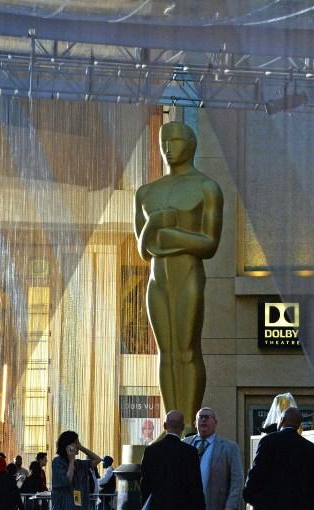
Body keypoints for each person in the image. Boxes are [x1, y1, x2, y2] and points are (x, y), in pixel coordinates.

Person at [134, 121, 224, 432]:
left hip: (189, 274)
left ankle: (189, 422)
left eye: (176, 139)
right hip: (157, 279)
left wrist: (169, 235)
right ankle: (171, 424)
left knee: (186, 349)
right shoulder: (146, 192)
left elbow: (210, 244)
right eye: (164, 140)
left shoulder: (206, 188)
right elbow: (143, 249)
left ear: (192, 143)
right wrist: (154, 223)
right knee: (166, 352)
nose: (169, 146)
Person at [243, 407, 314, 510]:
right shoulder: (312, 449)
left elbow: (257, 473)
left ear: (282, 420)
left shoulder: (268, 442)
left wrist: (251, 499)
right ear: (299, 424)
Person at [139, 411, 204, 510]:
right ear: (182, 427)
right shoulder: (190, 452)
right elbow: (196, 486)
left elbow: (145, 485)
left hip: (157, 505)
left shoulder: (150, 451)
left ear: (164, 425)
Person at [182, 408, 243, 510]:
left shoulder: (229, 448)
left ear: (215, 422)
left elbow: (237, 481)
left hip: (215, 505)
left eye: (207, 417)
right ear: (195, 423)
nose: (203, 420)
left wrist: (231, 506)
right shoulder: (184, 444)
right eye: (200, 417)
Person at [51, 431, 102, 510]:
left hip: (78, 506)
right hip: (63, 506)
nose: (78, 445)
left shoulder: (78, 463)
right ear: (68, 446)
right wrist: (71, 459)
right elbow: (67, 481)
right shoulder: (57, 462)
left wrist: (81, 447)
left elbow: (97, 459)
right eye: (76, 443)